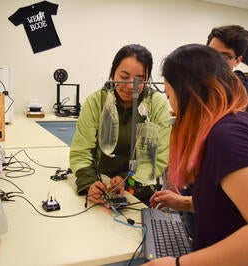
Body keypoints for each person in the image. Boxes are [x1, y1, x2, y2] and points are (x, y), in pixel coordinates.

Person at [143, 44, 248, 266]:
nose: (171, 105)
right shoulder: (218, 131)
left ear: (187, 92)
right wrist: (185, 203)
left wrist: (178, 264)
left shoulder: (227, 136)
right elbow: (227, 205)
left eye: (170, 95)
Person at [70, 44, 172, 205]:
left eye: (139, 79)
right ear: (113, 73)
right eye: (124, 77)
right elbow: (81, 152)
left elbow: (159, 156)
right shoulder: (96, 102)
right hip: (101, 184)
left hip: (139, 188)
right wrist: (90, 183)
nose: (131, 85)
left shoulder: (156, 104)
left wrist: (128, 180)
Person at [207, 25, 248, 94]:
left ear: (237, 61)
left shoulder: (244, 95)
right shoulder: (192, 84)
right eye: (212, 53)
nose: (215, 60)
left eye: (224, 57)